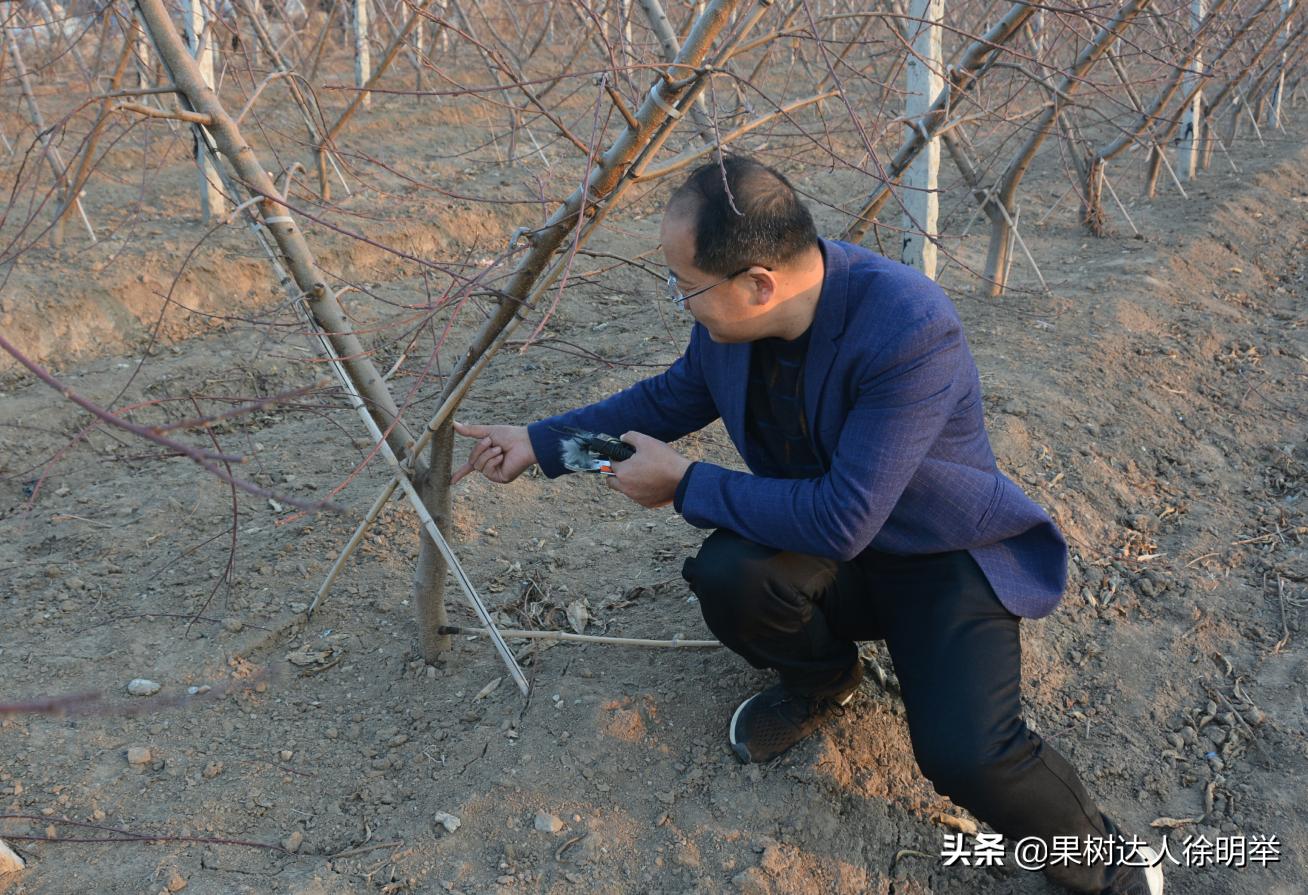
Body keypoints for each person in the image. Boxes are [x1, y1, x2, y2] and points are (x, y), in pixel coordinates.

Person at [451, 155, 1163, 895]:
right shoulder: (732, 326)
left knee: (967, 755)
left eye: (683, 286)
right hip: (833, 550)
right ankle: (828, 680)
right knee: (730, 577)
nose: (679, 300)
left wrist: (686, 483)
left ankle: (1107, 866)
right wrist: (541, 444)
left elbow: (844, 516)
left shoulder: (907, 328)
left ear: (758, 282)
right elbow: (670, 398)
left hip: (940, 554)